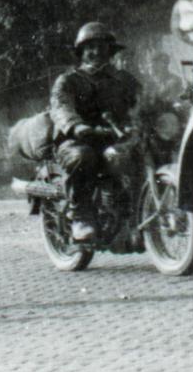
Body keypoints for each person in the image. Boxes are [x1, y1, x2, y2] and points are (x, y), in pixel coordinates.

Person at [48, 21, 143, 242]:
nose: (97, 51)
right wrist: (76, 125)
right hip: (78, 141)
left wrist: (166, 111)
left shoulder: (124, 80)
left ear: (110, 50)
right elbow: (60, 106)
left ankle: (132, 213)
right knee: (84, 157)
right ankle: (81, 216)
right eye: (90, 47)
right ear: (81, 52)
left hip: (116, 138)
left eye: (102, 46)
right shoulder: (69, 80)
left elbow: (144, 100)